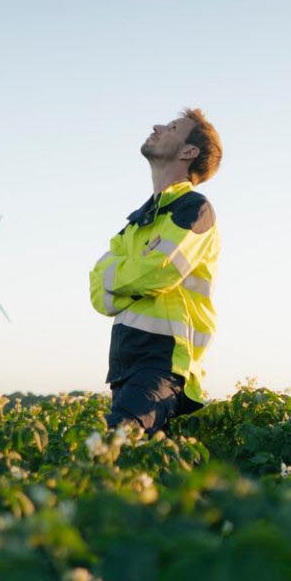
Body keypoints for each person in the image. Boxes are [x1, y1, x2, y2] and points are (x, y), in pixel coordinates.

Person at [88, 108, 223, 433]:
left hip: (164, 363)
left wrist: (120, 277)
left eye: (173, 127)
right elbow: (97, 293)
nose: (157, 126)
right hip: (124, 363)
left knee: (113, 446)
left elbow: (158, 271)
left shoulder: (194, 209)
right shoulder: (135, 224)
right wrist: (136, 274)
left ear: (189, 152)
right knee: (133, 470)